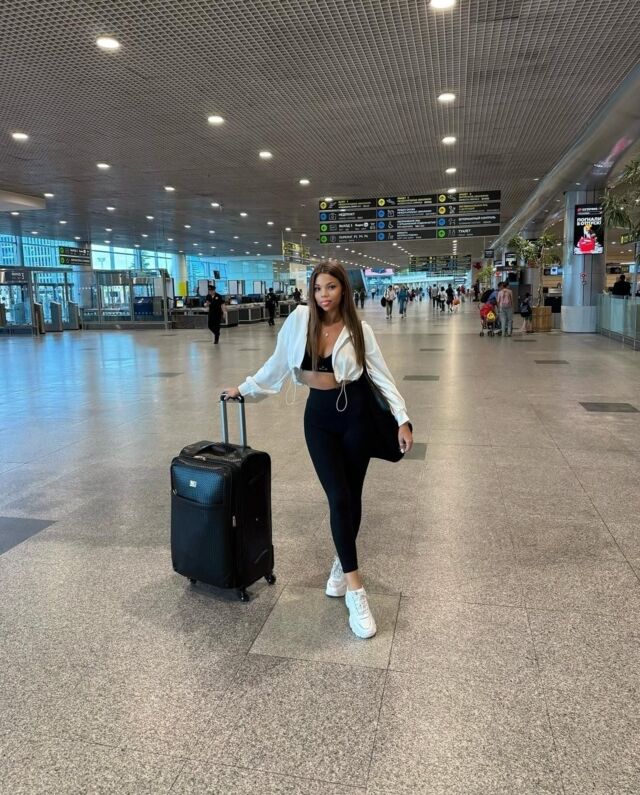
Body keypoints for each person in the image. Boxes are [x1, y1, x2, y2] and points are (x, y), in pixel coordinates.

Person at [222, 261, 413, 639]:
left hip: (356, 417)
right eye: (318, 288)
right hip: (319, 421)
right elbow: (278, 364)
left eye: (331, 287)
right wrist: (244, 389)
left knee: (351, 498)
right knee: (338, 497)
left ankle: (343, 565)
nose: (324, 295)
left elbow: (381, 375)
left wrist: (402, 418)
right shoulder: (299, 320)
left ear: (343, 290)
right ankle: (356, 590)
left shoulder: (360, 330)